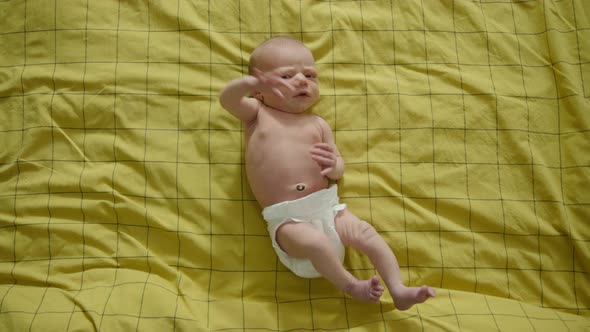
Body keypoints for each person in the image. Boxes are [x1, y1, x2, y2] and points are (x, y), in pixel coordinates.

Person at [219, 36, 435, 309]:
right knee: (317, 243)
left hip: (328, 208)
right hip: (289, 222)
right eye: (287, 75)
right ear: (260, 91)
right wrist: (248, 83)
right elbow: (227, 100)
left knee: (366, 233)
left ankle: (399, 289)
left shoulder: (318, 123)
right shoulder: (258, 114)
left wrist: (335, 166)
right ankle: (351, 285)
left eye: (310, 75)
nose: (302, 80)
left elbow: (337, 167)